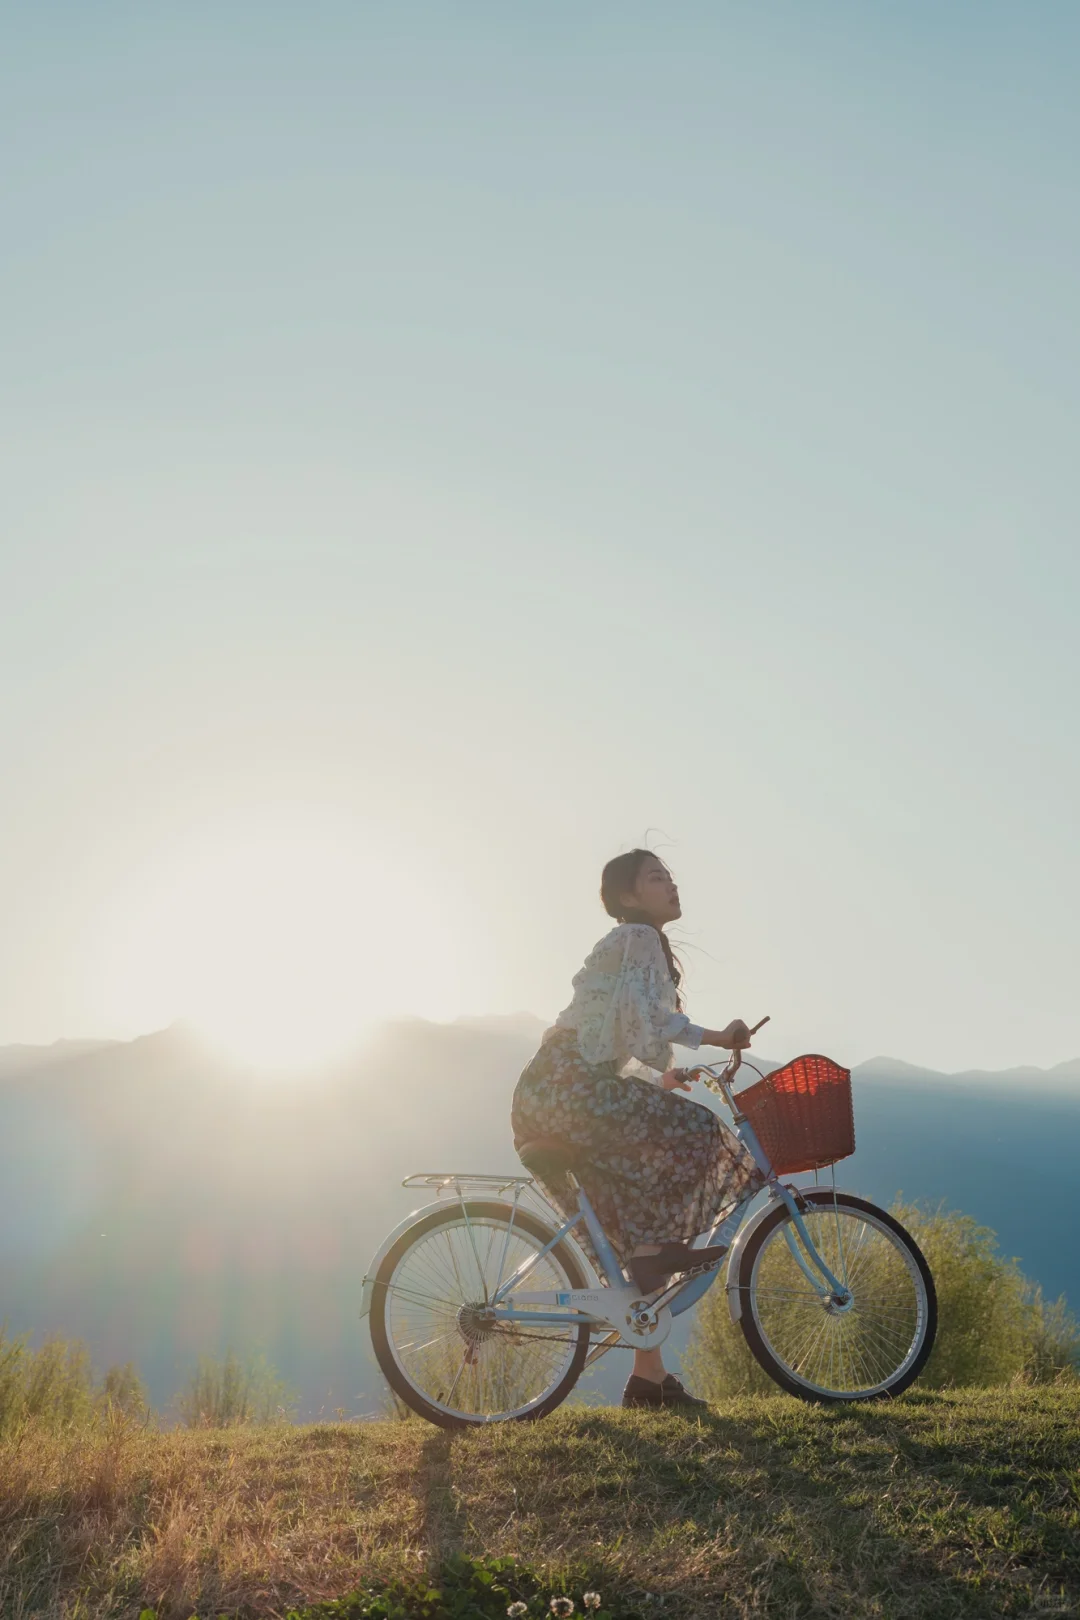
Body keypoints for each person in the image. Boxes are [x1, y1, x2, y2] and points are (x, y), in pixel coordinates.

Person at [511, 848, 764, 1410]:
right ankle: (655, 1251)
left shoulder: (631, 943)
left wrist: (661, 1074)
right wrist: (720, 1038)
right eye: (656, 877)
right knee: (698, 1132)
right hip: (569, 1089)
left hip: (551, 1092)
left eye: (671, 876)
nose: (670, 885)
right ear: (628, 896)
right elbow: (647, 1019)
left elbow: (612, 1028)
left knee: (635, 1222)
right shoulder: (639, 938)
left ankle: (648, 1382)